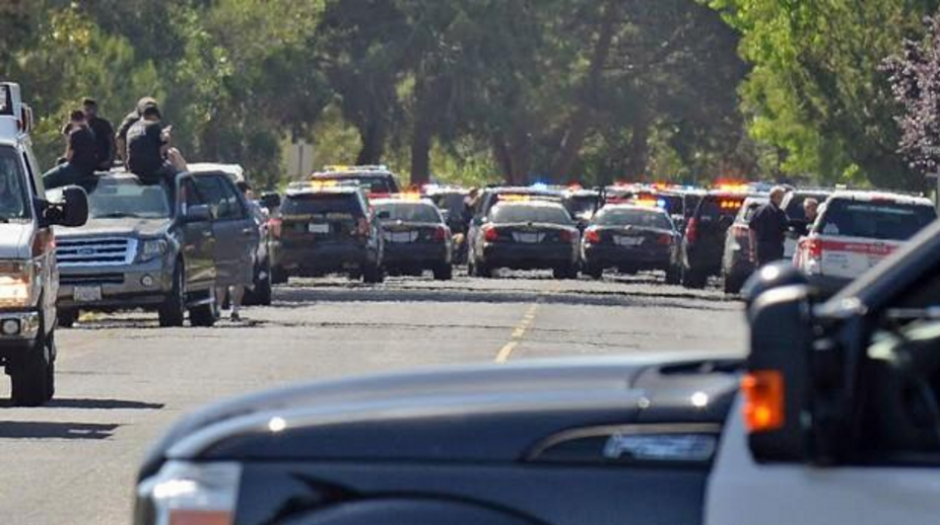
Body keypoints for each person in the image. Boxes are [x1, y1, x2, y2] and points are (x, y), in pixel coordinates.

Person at [125, 105, 186, 182]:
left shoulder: (131, 128)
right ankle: (176, 193)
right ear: (153, 116)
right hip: (151, 167)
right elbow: (163, 148)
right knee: (176, 175)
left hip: (133, 167)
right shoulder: (153, 126)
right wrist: (167, 137)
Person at [43, 110, 98, 189]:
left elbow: (69, 157)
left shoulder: (76, 134)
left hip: (76, 168)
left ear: (72, 120)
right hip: (89, 168)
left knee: (45, 180)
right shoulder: (90, 133)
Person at [749, 186, 790, 267]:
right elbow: (786, 230)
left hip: (761, 247)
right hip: (775, 248)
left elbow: (751, 230)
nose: (782, 200)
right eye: (782, 197)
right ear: (776, 197)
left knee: (761, 271)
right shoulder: (779, 213)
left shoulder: (758, 210)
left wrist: (752, 249)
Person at [116, 96, 158, 165]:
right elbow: (120, 138)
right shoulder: (132, 119)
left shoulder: (153, 119)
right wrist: (125, 160)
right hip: (132, 158)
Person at [80, 98, 116, 171]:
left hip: (101, 164)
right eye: (86, 109)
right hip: (85, 165)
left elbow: (112, 143)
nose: (89, 112)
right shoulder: (80, 125)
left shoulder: (103, 124)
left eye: (91, 109)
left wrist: (109, 161)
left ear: (96, 110)